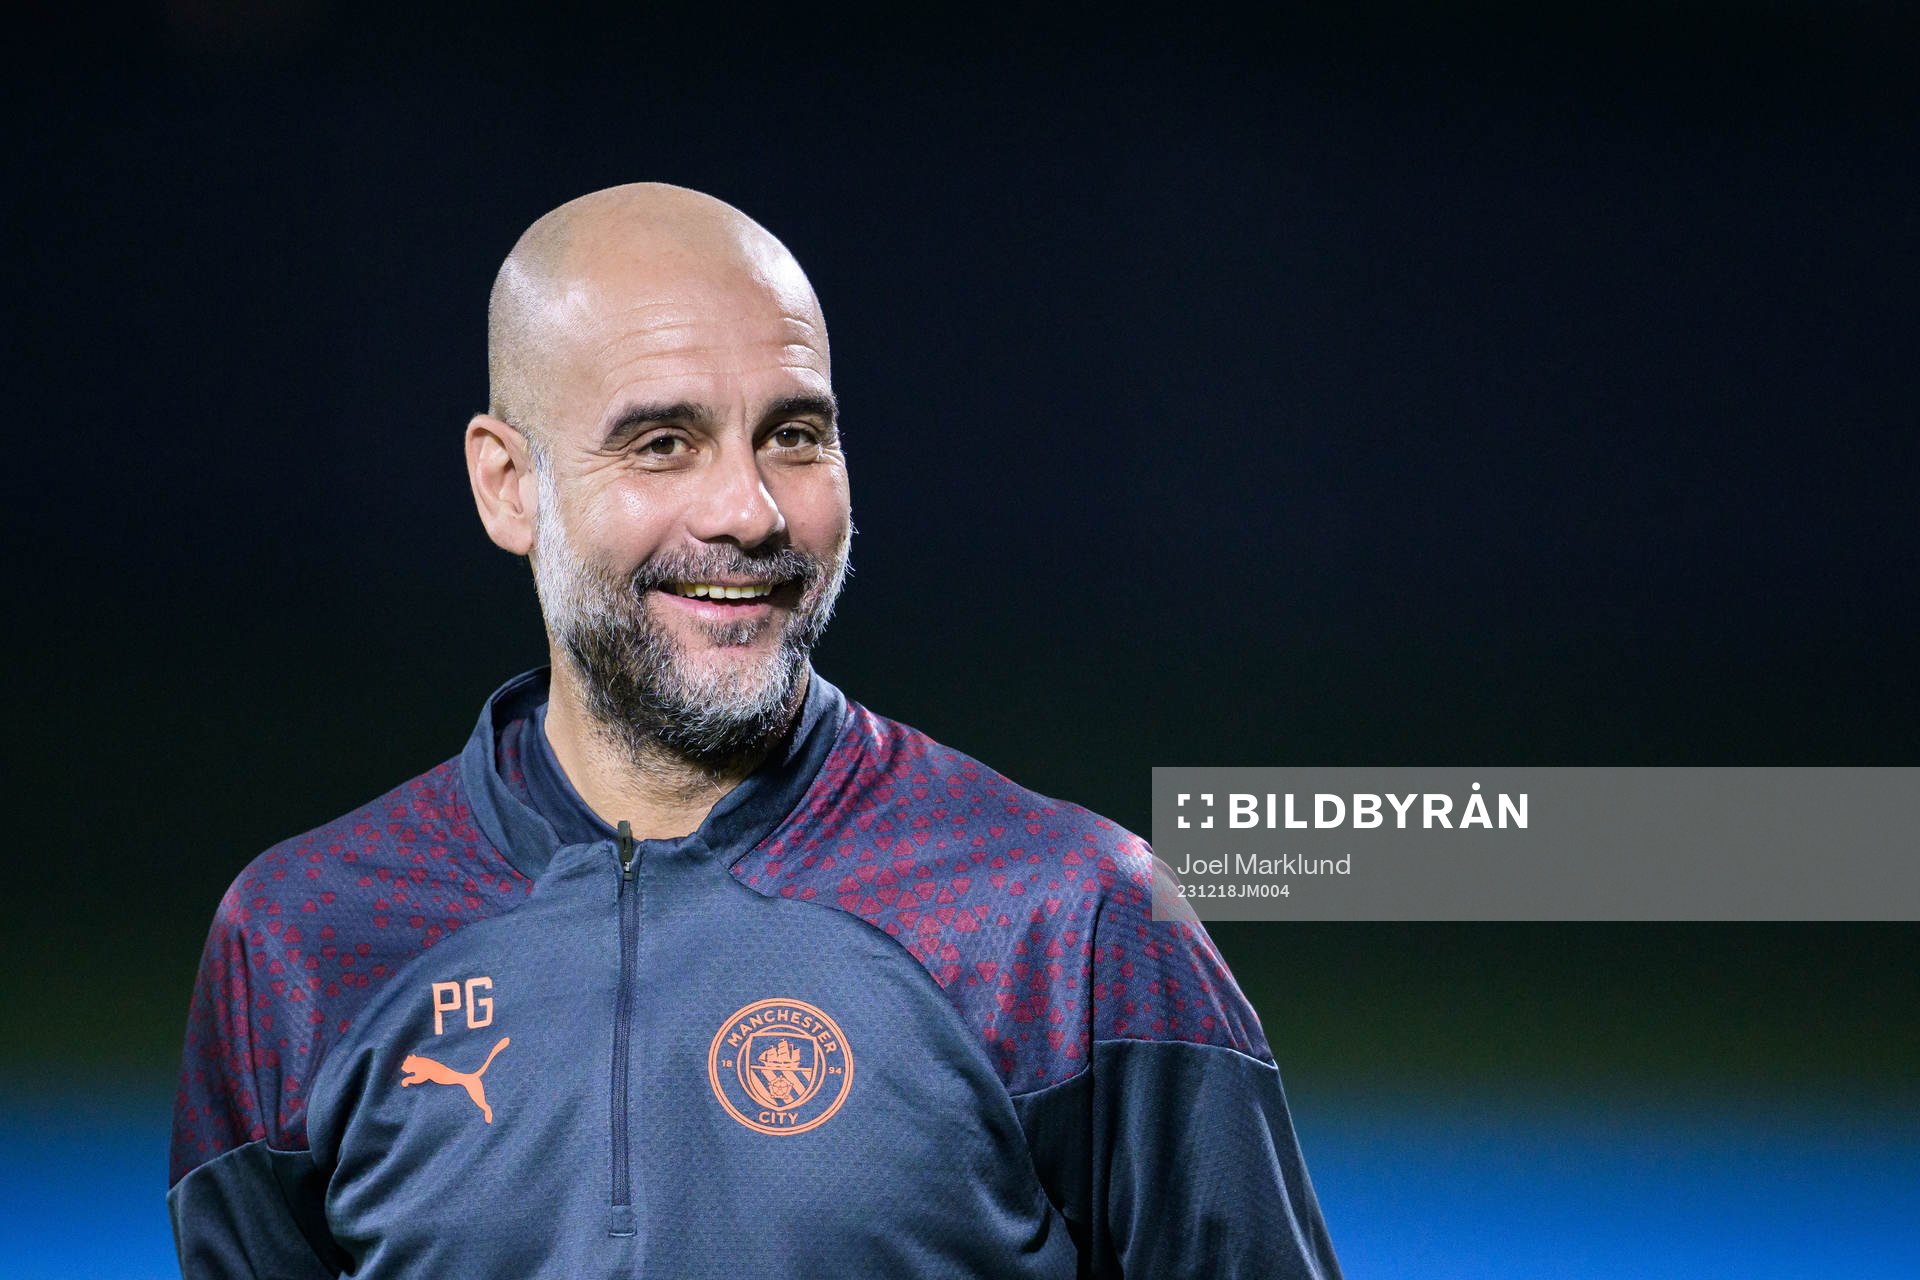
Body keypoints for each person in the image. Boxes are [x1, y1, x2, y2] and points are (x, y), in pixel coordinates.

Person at [168, 183, 1343, 1278]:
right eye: (662, 442)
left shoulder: (1073, 916)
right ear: (507, 484)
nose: (750, 510)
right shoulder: (299, 941)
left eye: (794, 433)